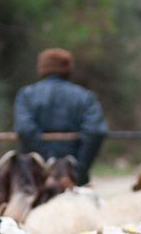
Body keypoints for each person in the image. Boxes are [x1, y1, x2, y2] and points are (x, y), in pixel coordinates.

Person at [14, 48, 108, 185]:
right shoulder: (85, 97)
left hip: (35, 179)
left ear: (42, 68)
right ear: (68, 68)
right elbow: (96, 131)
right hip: (73, 178)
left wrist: (46, 162)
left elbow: (24, 130)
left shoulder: (26, 95)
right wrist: (78, 169)